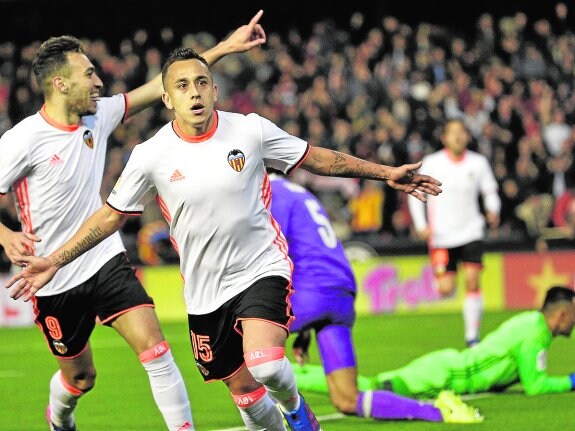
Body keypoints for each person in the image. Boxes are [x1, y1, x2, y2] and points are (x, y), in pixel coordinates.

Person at [5, 47, 442, 431]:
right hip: (204, 292)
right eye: (182, 86)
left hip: (261, 268)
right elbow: (109, 217)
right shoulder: (150, 155)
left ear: (214, 90)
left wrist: (386, 174)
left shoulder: (250, 130)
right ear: (167, 98)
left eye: (201, 83)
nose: (194, 92)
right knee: (245, 395)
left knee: (266, 363)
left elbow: (319, 159)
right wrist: (55, 260)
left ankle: (295, 411)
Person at [0, 11, 268, 431]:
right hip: (51, 276)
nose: (98, 82)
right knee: (81, 378)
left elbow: (157, 89)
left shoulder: (97, 116)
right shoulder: (22, 140)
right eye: (88, 74)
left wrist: (222, 48)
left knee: (156, 349)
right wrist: (5, 234)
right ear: (60, 83)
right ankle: (60, 417)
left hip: (103, 257)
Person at [268, 170, 483, 423]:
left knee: (243, 347)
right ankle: (439, 411)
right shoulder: (301, 194)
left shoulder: (270, 195)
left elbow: (274, 252)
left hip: (310, 292)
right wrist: (304, 327)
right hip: (340, 293)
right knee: (347, 399)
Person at [293, 286, 575, 399]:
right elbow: (535, 386)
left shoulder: (530, 323)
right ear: (561, 313)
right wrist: (571, 381)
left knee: (368, 386)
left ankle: (293, 374)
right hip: (444, 376)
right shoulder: (535, 334)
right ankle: (292, 376)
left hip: (446, 370)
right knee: (366, 389)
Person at [407, 118, 501, 347]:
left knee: (472, 281)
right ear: (444, 137)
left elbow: (490, 191)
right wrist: (420, 225)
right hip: (441, 235)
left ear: (467, 136)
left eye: (462, 132)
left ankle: (472, 338)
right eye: (453, 132)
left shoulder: (478, 163)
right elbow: (416, 192)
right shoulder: (432, 162)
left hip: (471, 231)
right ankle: (449, 280)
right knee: (446, 289)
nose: (458, 136)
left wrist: (493, 209)